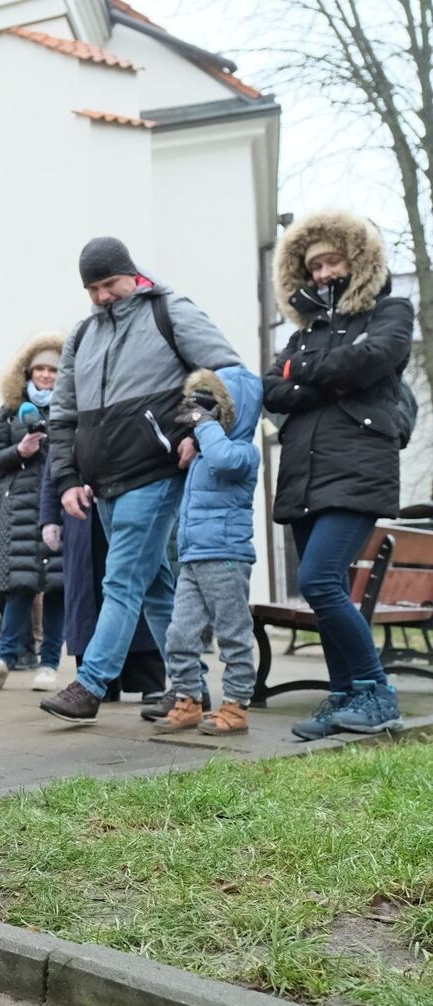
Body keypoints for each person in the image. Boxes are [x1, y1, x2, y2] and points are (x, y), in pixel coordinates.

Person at [41, 236, 242, 724]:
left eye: (110, 284)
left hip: (154, 472)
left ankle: (90, 685)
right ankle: (187, 689)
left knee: (123, 578)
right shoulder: (82, 335)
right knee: (153, 583)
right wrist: (67, 476)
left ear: (132, 275)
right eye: (93, 289)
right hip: (102, 481)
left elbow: (226, 370)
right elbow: (63, 412)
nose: (103, 296)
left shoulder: (168, 311)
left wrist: (201, 428)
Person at [264, 210, 414, 739]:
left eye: (333, 260)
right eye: (315, 266)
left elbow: (375, 357)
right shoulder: (305, 333)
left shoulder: (391, 310)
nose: (325, 272)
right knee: (323, 589)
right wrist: (329, 374)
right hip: (305, 474)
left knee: (319, 580)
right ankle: (344, 694)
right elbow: (272, 390)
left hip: (357, 470)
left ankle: (378, 693)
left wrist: (303, 375)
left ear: (357, 261)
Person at [151, 368, 261, 736]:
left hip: (226, 556)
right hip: (194, 557)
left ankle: (236, 705)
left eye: (213, 405)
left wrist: (203, 424)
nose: (202, 414)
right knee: (180, 633)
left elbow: (225, 460)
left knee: (233, 633)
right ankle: (188, 699)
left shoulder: (244, 452)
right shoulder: (203, 452)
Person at [39, 447, 168, 700]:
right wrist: (49, 518)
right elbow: (54, 467)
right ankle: (99, 683)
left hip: (127, 506)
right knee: (88, 604)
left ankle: (148, 679)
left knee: (135, 594)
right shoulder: (67, 417)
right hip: (80, 518)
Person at [0, 333, 65, 692]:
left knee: (57, 586)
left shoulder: (71, 405)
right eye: (39, 368)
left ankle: (50, 664)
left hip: (59, 502)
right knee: (19, 586)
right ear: (27, 372)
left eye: (53, 369)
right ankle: (4, 659)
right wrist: (20, 450)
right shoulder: (12, 409)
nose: (45, 375)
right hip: (21, 506)